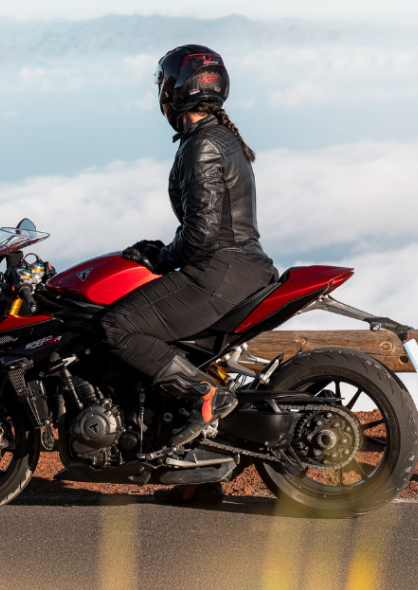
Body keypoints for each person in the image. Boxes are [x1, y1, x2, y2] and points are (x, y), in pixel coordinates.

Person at [98, 44, 275, 500]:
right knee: (168, 339)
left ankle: (204, 395)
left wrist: (159, 257)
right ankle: (196, 475)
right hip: (236, 269)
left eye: (164, 84)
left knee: (117, 326)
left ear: (176, 90)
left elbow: (200, 236)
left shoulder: (203, 146)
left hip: (219, 271)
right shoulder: (219, 137)